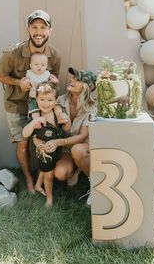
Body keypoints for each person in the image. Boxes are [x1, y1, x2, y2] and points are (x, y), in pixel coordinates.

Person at [0, 9, 61, 193]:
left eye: (43, 27)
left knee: (43, 140)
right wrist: (18, 82)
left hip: (42, 106)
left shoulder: (55, 55)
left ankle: (45, 176)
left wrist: (54, 82)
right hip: (16, 104)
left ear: (50, 31)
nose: (38, 32)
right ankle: (29, 180)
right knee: (23, 145)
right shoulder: (13, 53)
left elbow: (54, 75)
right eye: (34, 27)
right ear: (28, 29)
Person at [40, 67, 97, 205]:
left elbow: (83, 136)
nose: (72, 80)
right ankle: (75, 170)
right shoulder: (61, 99)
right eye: (73, 77)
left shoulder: (92, 107)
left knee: (77, 150)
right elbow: (55, 108)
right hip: (66, 149)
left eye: (77, 80)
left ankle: (95, 185)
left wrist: (59, 142)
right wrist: (59, 114)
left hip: (83, 147)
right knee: (60, 174)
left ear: (85, 87)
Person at [22, 81, 70, 208]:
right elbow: (25, 134)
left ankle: (38, 185)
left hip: (57, 150)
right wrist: (34, 122)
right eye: (42, 99)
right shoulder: (35, 117)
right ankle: (49, 198)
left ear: (55, 101)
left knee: (49, 169)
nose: (45, 103)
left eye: (49, 100)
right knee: (48, 174)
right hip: (43, 154)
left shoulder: (56, 114)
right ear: (36, 100)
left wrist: (65, 120)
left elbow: (66, 129)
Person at [26, 52, 68, 124]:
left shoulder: (47, 74)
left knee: (57, 105)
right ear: (31, 65)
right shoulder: (29, 73)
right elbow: (25, 81)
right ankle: (37, 122)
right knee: (34, 110)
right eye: (36, 64)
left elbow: (53, 83)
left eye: (42, 65)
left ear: (46, 66)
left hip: (48, 96)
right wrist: (26, 82)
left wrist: (56, 81)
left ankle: (59, 116)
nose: (39, 67)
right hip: (34, 97)